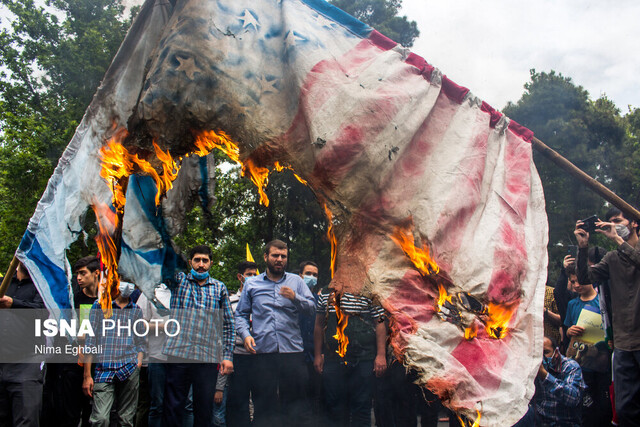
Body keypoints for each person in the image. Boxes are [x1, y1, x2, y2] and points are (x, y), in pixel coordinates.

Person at [235, 240, 316, 427]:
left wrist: (295, 298)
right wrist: (246, 335)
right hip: (263, 352)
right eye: (275, 256)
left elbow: (312, 308)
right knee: (264, 404)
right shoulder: (252, 284)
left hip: (292, 353)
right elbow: (240, 314)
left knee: (296, 404)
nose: (279, 259)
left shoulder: (296, 281)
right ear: (266, 257)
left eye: (283, 256)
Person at [575, 207, 640, 426]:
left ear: (634, 223)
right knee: (623, 408)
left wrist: (618, 241)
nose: (613, 226)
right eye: (610, 222)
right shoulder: (612, 258)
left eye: (618, 221)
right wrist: (583, 247)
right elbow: (585, 277)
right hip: (623, 343)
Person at [162, 245, 234, 427]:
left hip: (207, 357)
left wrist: (227, 357)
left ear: (211, 263)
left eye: (205, 260)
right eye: (197, 260)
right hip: (179, 354)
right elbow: (163, 268)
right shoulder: (178, 281)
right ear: (190, 262)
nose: (201, 265)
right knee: (172, 407)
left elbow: (228, 324)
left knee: (204, 409)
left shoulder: (219, 287)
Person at [314, 286, 387, 426]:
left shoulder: (370, 292)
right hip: (334, 359)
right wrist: (318, 354)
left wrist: (381, 355)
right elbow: (318, 324)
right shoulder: (326, 293)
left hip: (364, 359)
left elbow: (380, 323)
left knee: (362, 406)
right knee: (335, 406)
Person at [83, 281, 146, 427]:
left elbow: (140, 340)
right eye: (124, 281)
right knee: (100, 419)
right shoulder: (100, 306)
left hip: (130, 368)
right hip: (104, 370)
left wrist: (139, 361)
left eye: (131, 282)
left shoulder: (136, 309)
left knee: (126, 420)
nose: (127, 286)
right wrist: (87, 375)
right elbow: (90, 341)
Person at [0, 261, 46, 426]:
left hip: (27, 362)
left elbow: (44, 312)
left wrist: (13, 304)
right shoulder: (3, 284)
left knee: (26, 420)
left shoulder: (42, 287)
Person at [226, 260, 257, 427]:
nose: (252, 278)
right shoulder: (230, 301)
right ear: (240, 277)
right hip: (238, 356)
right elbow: (226, 328)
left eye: (255, 275)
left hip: (259, 357)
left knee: (260, 399)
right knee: (238, 401)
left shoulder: (261, 298)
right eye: (249, 275)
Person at [533, 336, 585, 426]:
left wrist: (545, 376)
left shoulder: (570, 367)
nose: (541, 357)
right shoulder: (532, 367)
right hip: (541, 421)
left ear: (556, 352)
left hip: (565, 422)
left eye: (546, 352)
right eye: (538, 353)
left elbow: (573, 399)